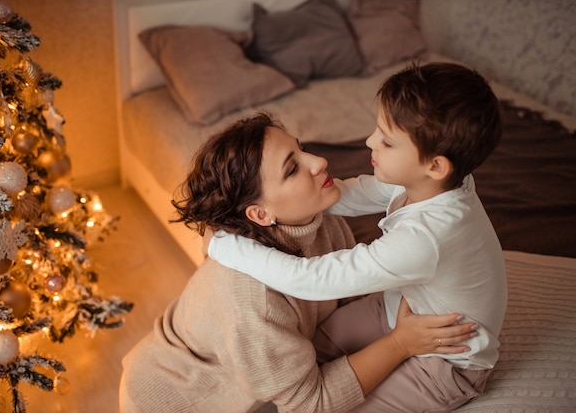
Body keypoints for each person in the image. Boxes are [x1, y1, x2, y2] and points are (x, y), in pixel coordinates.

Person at [118, 113, 478, 413]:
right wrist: (400, 344)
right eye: (293, 168)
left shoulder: (318, 220)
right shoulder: (249, 304)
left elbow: (345, 303)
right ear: (260, 214)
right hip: (176, 397)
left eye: (301, 149)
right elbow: (311, 403)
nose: (319, 162)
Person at [206, 62, 508, 411]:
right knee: (315, 348)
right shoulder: (436, 184)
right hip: (397, 306)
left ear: (435, 165)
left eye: (387, 141)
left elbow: (313, 279)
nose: (369, 142)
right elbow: (354, 193)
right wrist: (304, 196)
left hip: (445, 357)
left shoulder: (426, 237)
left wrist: (224, 245)